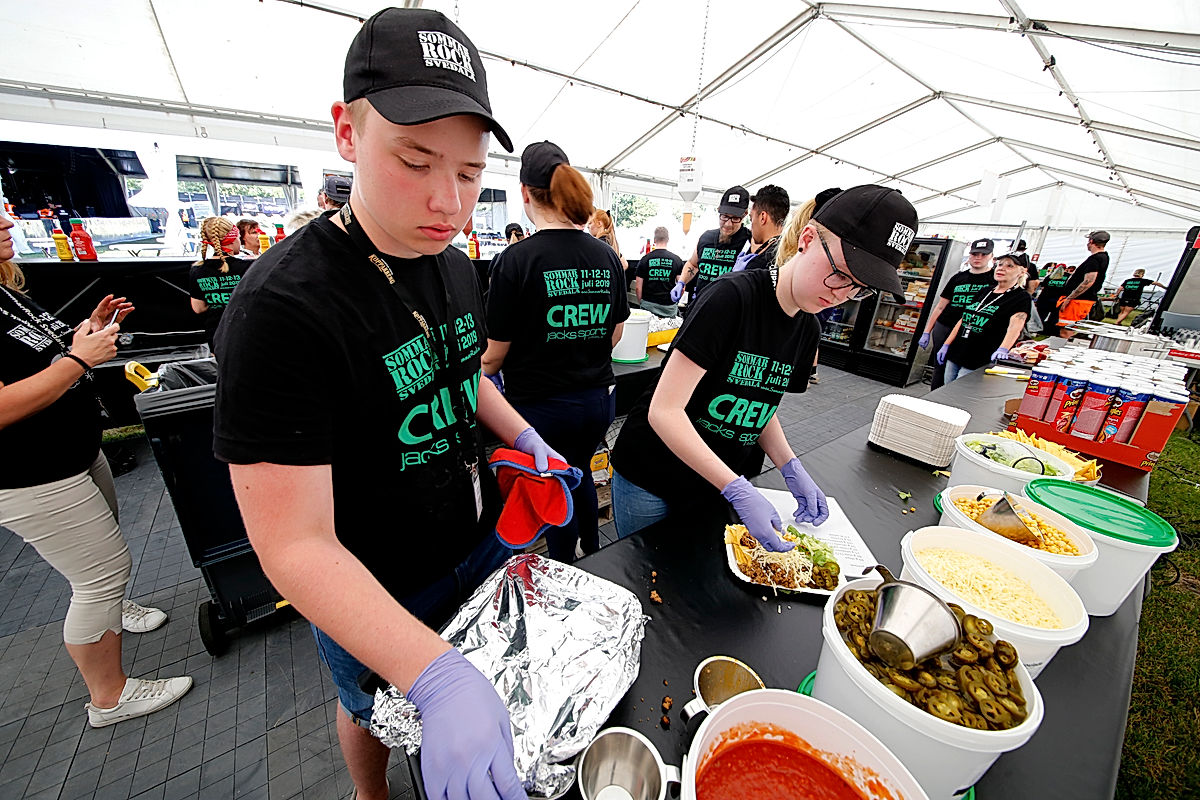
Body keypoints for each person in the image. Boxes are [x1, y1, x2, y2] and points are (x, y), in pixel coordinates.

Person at [213, 10, 543, 800]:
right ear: (347, 133)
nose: (448, 201)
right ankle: (371, 794)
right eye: (415, 158)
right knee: (368, 709)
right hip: (367, 577)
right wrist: (432, 673)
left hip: (473, 539)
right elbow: (292, 546)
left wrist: (527, 436)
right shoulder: (282, 309)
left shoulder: (457, 266)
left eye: (468, 174)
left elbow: (461, 374)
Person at [610, 185, 917, 544]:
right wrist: (736, 489)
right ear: (807, 239)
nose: (841, 293)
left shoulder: (807, 328)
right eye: (841, 273)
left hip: (719, 479)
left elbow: (760, 400)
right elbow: (664, 411)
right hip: (655, 476)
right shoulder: (731, 298)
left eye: (859, 289)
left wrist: (789, 465)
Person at [0, 214, 193, 728]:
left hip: (74, 454)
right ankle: (109, 696)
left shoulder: (5, 287)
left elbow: (35, 355)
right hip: (31, 475)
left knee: (102, 562)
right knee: (100, 573)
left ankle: (114, 607)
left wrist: (86, 330)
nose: (5, 220)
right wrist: (79, 361)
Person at [483, 141, 629, 562]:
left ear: (525, 193)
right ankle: (593, 553)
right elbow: (615, 335)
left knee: (552, 481)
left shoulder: (516, 260)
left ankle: (563, 565)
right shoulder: (606, 256)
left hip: (541, 408)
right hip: (597, 401)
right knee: (579, 471)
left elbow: (493, 357)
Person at [937, 253, 1029, 384]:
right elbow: (964, 319)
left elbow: (1016, 325)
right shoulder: (986, 290)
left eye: (1010, 266)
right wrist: (947, 344)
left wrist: (1003, 348)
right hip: (957, 351)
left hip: (979, 357)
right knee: (945, 389)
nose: (1001, 268)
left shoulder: (1020, 297)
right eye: (1000, 264)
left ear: (1022, 271)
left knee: (958, 393)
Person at [918, 238, 995, 390]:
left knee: (962, 369)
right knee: (939, 366)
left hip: (972, 331)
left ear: (991, 256)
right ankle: (934, 398)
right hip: (945, 326)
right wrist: (927, 331)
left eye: (983, 254)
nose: (978, 258)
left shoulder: (993, 280)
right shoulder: (958, 277)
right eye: (974, 254)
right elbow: (940, 307)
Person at [673, 186, 752, 307]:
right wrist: (681, 282)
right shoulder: (706, 237)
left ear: (745, 215)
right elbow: (693, 264)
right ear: (719, 210)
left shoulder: (750, 242)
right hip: (699, 306)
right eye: (724, 216)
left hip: (728, 311)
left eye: (735, 218)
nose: (728, 224)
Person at [188, 217, 250, 355]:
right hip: (246, 332)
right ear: (233, 239)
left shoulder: (197, 270)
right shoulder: (248, 267)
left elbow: (198, 308)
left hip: (217, 334)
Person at [1056, 230, 1110, 338]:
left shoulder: (1094, 259)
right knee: (1071, 327)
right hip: (1083, 300)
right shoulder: (1104, 257)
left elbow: (1088, 281)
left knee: (1066, 329)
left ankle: (1061, 350)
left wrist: (1069, 298)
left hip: (1078, 301)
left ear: (1091, 241)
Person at [734, 184, 790, 273]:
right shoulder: (790, 253)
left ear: (763, 217)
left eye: (751, 218)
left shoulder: (757, 266)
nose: (751, 228)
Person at [634, 226, 683, 318]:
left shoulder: (644, 260)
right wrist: (675, 302)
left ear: (654, 240)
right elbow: (682, 286)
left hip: (648, 306)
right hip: (669, 307)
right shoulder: (676, 260)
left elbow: (638, 288)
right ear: (668, 240)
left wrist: (642, 303)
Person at [1036, 262, 1071, 329]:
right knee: (1054, 317)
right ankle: (1049, 330)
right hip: (1058, 300)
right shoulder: (1068, 277)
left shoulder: (1050, 275)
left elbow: (1043, 286)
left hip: (1045, 298)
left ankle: (1037, 329)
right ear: (1065, 269)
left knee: (1041, 316)